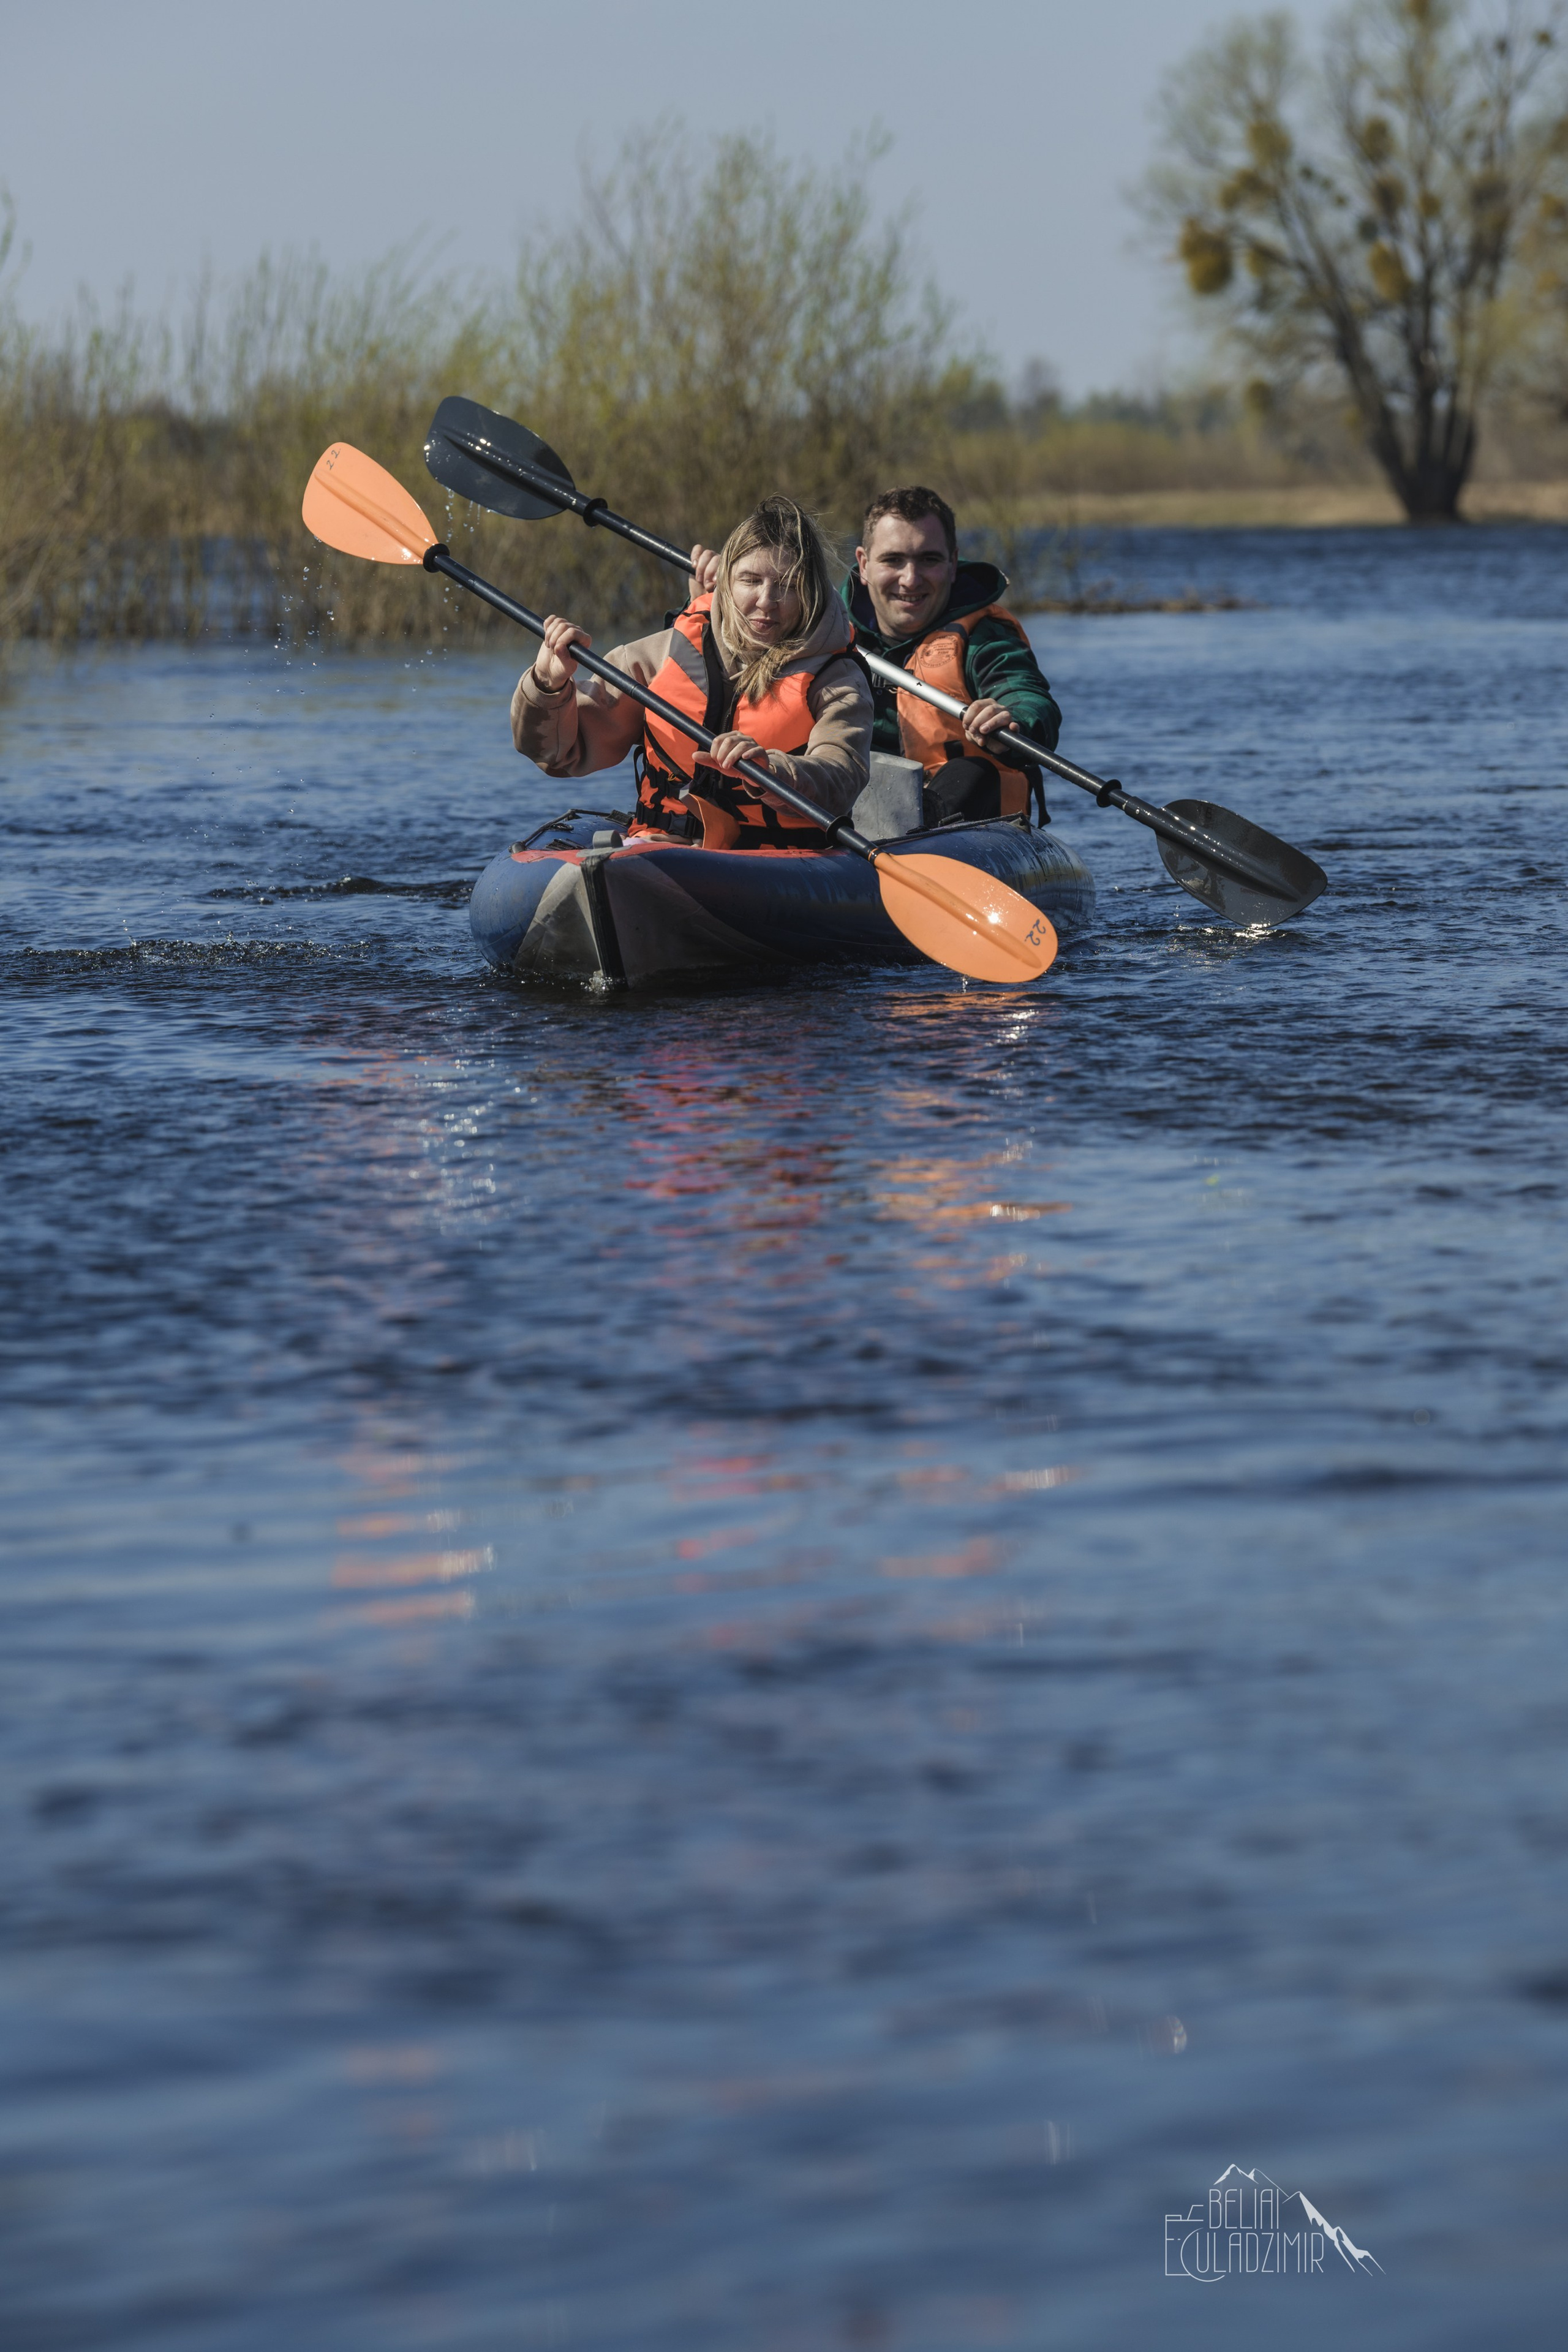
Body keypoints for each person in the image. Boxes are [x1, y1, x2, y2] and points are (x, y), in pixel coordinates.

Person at [511, 496, 872, 850]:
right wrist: (547, 686)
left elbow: (841, 774)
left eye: (788, 585)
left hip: (780, 859)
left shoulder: (835, 677)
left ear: (810, 591)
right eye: (750, 580)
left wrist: (771, 770)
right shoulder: (659, 656)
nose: (766, 601)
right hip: (661, 844)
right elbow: (559, 755)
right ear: (727, 583)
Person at [842, 484, 1063, 828]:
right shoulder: (826, 637)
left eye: (928, 560)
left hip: (965, 820)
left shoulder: (984, 637)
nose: (910, 579)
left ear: (953, 564)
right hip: (850, 815)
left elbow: (1030, 699)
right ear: (864, 565)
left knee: (972, 771)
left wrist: (1012, 720)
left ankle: (921, 836)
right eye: (893, 560)